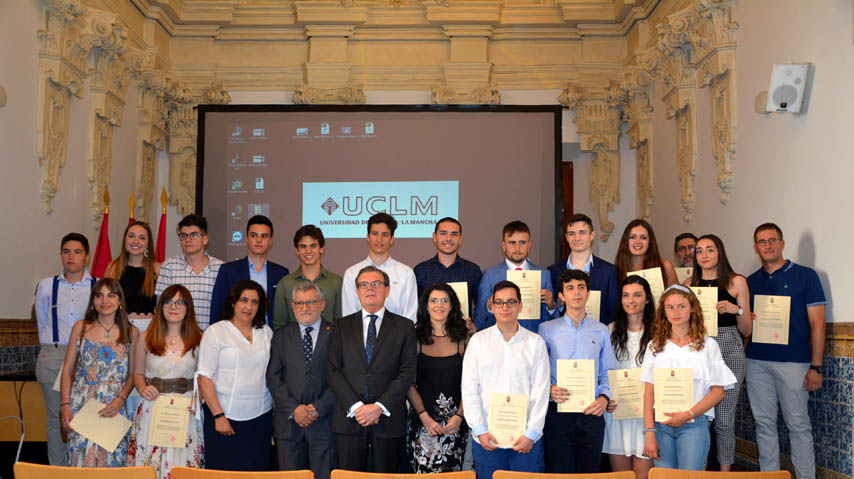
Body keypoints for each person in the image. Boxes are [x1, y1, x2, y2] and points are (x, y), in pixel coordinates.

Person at [745, 223, 826, 479]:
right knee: (764, 424)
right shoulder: (750, 282)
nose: (767, 245)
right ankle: (769, 476)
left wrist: (815, 367)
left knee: (798, 425)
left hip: (794, 364)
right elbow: (744, 327)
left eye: (772, 240)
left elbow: (818, 323)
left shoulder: (806, 276)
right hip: (756, 362)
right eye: (762, 241)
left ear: (782, 243)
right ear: (756, 247)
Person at [326, 266, 417, 472]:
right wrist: (357, 407)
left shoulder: (404, 327)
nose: (370, 289)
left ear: (387, 290)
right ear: (357, 292)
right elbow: (333, 371)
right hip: (349, 420)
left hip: (388, 419)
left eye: (376, 284)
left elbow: (407, 372)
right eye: (364, 285)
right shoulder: (341, 326)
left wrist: (379, 407)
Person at [641, 285, 735, 471]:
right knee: (664, 476)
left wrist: (687, 414)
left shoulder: (708, 345)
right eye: (670, 307)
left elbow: (718, 393)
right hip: (661, 426)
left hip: (694, 424)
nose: (676, 312)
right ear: (663, 311)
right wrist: (650, 432)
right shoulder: (654, 346)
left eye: (681, 306)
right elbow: (648, 393)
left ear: (692, 308)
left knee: (690, 475)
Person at [462, 280, 550, 479]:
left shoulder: (535, 343)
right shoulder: (478, 342)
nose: (505, 307)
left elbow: (541, 391)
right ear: (492, 307)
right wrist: (479, 429)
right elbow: (469, 390)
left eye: (511, 302)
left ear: (520, 306)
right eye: (499, 302)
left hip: (526, 440)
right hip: (488, 438)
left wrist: (532, 434)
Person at [538, 269, 617, 473]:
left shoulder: (601, 330)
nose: (577, 292)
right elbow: (539, 371)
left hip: (591, 411)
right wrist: (549, 389)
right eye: (570, 288)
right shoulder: (546, 329)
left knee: (589, 472)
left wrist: (604, 398)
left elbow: (607, 372)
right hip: (558, 411)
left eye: (582, 287)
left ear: (588, 293)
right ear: (562, 296)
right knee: (558, 471)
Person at [687, 234, 751, 471]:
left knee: (724, 421)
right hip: (698, 350)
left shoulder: (736, 282)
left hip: (729, 348)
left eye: (710, 250)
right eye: (699, 250)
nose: (704, 255)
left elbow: (746, 329)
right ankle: (699, 472)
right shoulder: (688, 286)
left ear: (720, 252)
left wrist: (738, 309)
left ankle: (725, 474)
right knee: (699, 420)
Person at [59, 278, 138, 467]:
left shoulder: (131, 331)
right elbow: (67, 370)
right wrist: (65, 405)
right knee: (80, 461)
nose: (105, 301)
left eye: (111, 295)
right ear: (93, 301)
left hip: (114, 405)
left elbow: (133, 374)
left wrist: (120, 399)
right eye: (99, 295)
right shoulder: (81, 327)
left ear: (120, 301)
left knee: (112, 462)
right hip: (82, 403)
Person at [128, 285, 204, 478]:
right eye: (169, 301)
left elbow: (204, 377)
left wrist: (198, 399)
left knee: (182, 463)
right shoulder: (146, 338)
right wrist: (143, 388)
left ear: (188, 308)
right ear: (160, 306)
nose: (174, 307)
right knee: (150, 463)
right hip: (153, 407)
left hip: (185, 409)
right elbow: (137, 374)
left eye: (180, 302)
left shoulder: (199, 338)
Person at [197, 280, 274, 471]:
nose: (248, 306)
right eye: (244, 300)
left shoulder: (266, 332)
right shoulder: (215, 332)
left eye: (254, 302)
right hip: (224, 419)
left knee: (258, 472)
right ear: (233, 302)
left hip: (260, 418)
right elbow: (204, 377)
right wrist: (219, 415)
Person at [33, 233, 96, 465]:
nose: (71, 256)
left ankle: (81, 468)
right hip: (54, 354)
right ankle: (57, 471)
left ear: (86, 256)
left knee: (84, 416)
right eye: (66, 251)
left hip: (86, 358)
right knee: (57, 417)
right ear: (61, 254)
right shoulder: (47, 285)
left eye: (77, 252)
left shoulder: (97, 286)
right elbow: (42, 321)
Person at [266, 282, 336, 479]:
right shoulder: (281, 335)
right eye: (300, 303)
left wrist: (318, 408)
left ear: (322, 304)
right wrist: (294, 409)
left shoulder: (336, 333)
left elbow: (342, 376)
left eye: (311, 302)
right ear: (293, 306)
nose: (305, 308)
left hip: (324, 424)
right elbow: (273, 376)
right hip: (289, 426)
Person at [407, 283, 469, 473]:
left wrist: (459, 416)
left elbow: (472, 384)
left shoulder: (464, 337)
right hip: (423, 422)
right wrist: (424, 417)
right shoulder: (413, 336)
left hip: (455, 425)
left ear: (452, 305)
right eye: (433, 300)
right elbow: (408, 382)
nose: (439, 305)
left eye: (444, 300)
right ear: (426, 305)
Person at [603, 276, 655, 479]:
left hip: (646, 413)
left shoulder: (659, 331)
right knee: (621, 476)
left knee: (643, 475)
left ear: (647, 299)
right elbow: (603, 371)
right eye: (625, 295)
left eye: (637, 295)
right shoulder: (610, 330)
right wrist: (605, 397)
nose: (630, 300)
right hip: (618, 411)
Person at [475, 220, 555, 333]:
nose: (517, 248)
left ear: (529, 246)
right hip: (500, 342)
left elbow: (552, 321)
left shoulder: (544, 275)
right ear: (503, 246)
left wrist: (551, 306)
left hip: (532, 341)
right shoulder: (490, 275)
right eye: (512, 243)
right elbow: (479, 321)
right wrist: (489, 304)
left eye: (522, 242)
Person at [210, 215, 289, 326]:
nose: (259, 240)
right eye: (253, 235)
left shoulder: (281, 273)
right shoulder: (228, 270)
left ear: (270, 240)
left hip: (270, 338)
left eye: (264, 236)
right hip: (235, 338)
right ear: (247, 238)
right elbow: (217, 310)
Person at [341, 213, 418, 322]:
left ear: (392, 239)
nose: (379, 239)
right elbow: (349, 316)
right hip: (361, 336)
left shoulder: (406, 273)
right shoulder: (352, 273)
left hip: (397, 337)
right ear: (368, 237)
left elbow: (410, 317)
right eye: (375, 234)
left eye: (385, 234)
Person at [547, 213, 619, 324]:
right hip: (563, 336)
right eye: (572, 234)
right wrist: (559, 304)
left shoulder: (609, 271)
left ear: (592, 235)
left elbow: (613, 312)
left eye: (582, 232)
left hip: (597, 336)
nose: (577, 238)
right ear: (566, 237)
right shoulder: (553, 271)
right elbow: (551, 313)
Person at [413, 218, 482, 334]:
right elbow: (417, 308)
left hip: (462, 336)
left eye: (454, 234)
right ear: (435, 237)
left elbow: (481, 305)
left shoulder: (472, 270)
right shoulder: (421, 270)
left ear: (460, 239)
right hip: (429, 338)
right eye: (443, 233)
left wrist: (475, 324)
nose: (449, 239)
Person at [155, 214, 223, 330]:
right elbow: (161, 305)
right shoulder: (169, 266)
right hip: (178, 336)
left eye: (194, 235)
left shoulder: (221, 268)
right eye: (183, 236)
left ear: (205, 239)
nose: (188, 239)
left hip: (211, 337)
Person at [273, 225, 342, 330]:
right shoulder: (285, 284)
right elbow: (279, 327)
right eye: (303, 246)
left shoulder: (337, 283)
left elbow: (341, 325)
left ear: (322, 248)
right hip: (293, 345)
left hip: (330, 345)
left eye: (313, 246)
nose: (308, 251)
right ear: (297, 250)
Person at [105, 221, 162, 333]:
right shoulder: (113, 268)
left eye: (142, 238)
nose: (136, 241)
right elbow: (105, 303)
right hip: (119, 327)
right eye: (131, 236)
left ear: (148, 243)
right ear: (125, 240)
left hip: (149, 330)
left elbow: (162, 307)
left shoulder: (158, 269)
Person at [614, 219, 678, 286]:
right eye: (632, 237)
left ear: (650, 242)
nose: (638, 241)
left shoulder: (665, 266)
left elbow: (676, 294)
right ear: (626, 241)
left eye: (643, 238)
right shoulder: (615, 271)